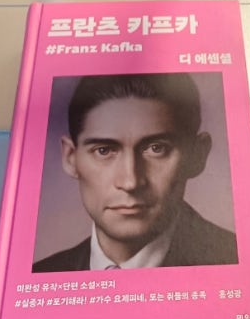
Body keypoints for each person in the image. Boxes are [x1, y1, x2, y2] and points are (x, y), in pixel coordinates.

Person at [32, 73, 238, 271]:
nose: (130, 182)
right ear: (71, 158)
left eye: (157, 148)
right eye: (104, 151)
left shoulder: (236, 260)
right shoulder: (44, 274)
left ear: (197, 156)